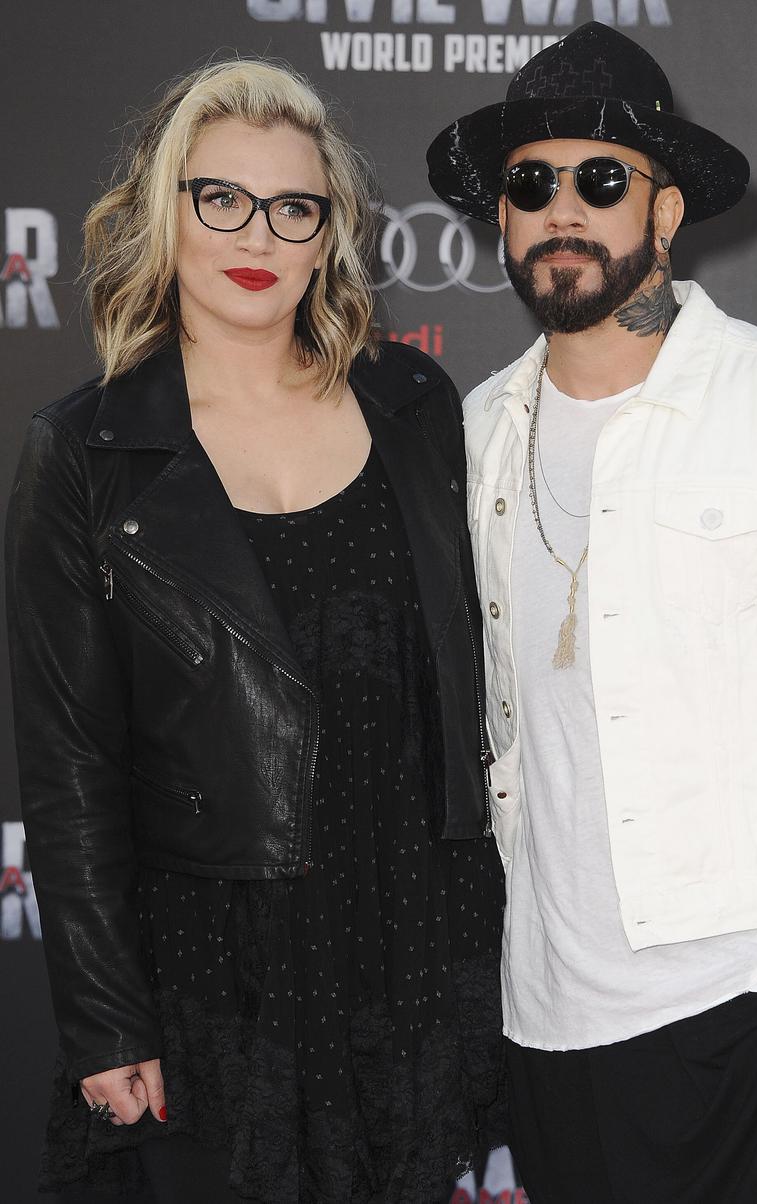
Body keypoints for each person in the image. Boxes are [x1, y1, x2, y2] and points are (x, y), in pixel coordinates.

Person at [426, 22, 757, 1204]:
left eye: (601, 180)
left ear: (663, 212)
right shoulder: (478, 430)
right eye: (530, 183)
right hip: (544, 1009)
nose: (562, 208)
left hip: (742, 997)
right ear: (500, 218)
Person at [6, 59, 506, 1204]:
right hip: (208, 960)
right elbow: (71, 769)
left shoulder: (412, 405)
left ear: (329, 235)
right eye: (221, 198)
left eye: (294, 208)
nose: (257, 236)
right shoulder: (85, 451)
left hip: (407, 938)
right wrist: (105, 1018)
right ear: (165, 211)